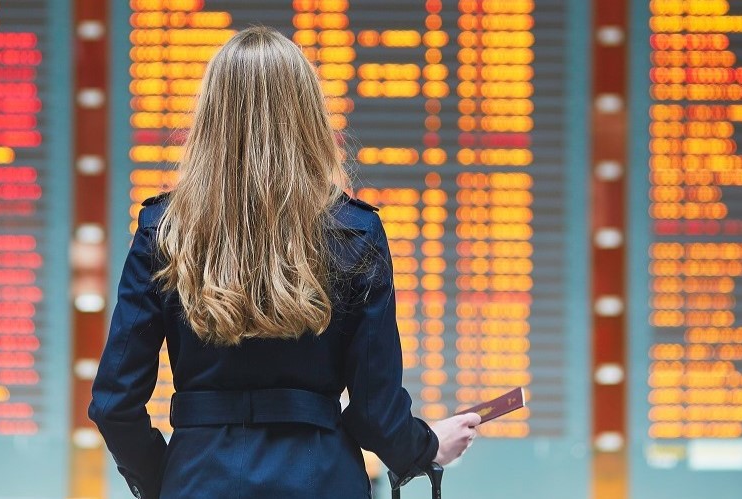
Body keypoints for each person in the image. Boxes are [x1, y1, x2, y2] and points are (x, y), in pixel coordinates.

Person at [88, 26, 480, 499]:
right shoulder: (355, 232)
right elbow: (375, 411)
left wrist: (166, 478)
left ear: (210, 116)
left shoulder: (164, 230)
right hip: (322, 480)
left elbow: (115, 405)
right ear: (309, 115)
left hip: (197, 479)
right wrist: (427, 445)